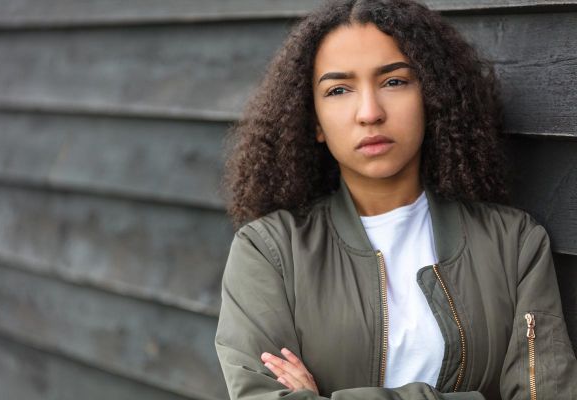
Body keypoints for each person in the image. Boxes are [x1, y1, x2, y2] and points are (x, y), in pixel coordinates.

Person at [214, 0, 577, 399]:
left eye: (394, 82)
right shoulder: (270, 251)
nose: (369, 112)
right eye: (338, 90)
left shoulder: (514, 244)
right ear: (314, 121)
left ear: (431, 97)